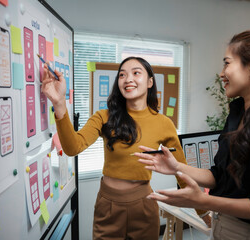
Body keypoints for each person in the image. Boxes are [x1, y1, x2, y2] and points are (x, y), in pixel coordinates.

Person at [135, 30, 250, 240]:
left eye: (227, 63)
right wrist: (177, 167)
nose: (222, 73)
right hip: (222, 223)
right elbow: (220, 176)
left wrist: (201, 201)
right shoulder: (238, 114)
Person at [41, 56, 190, 239]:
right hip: (108, 205)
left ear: (150, 81)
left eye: (136, 73)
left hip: (144, 205)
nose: (128, 79)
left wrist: (203, 211)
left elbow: (181, 170)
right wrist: (59, 103)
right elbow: (73, 147)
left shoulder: (164, 123)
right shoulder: (104, 116)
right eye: (122, 75)